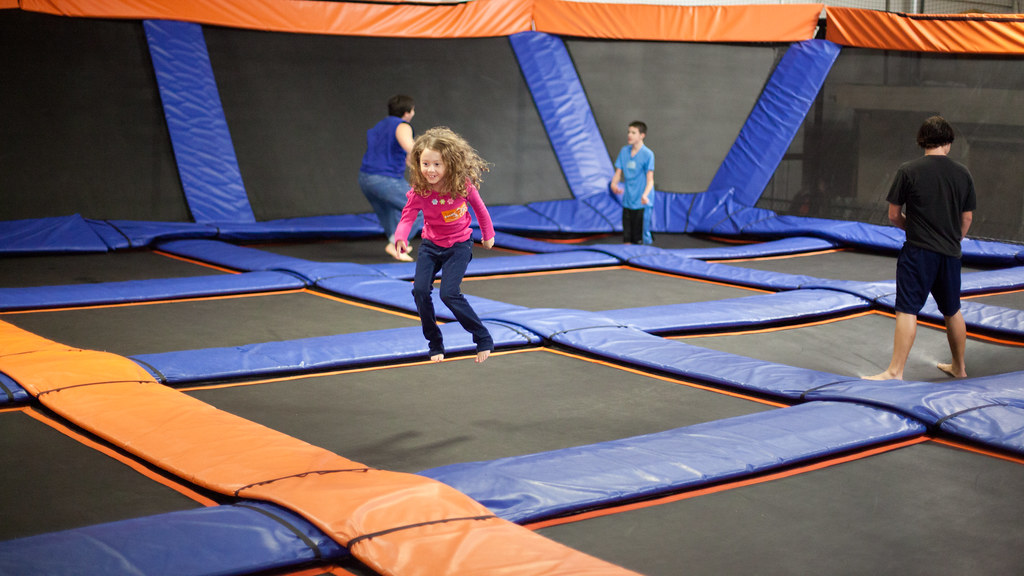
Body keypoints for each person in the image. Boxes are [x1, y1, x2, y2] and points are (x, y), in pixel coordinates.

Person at [867, 116, 976, 381]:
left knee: (907, 309)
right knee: (952, 310)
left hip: (919, 252)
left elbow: (894, 215)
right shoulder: (962, 173)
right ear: (948, 143)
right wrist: (954, 238)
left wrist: (913, 228)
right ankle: (959, 368)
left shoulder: (909, 170)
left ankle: (896, 371)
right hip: (950, 255)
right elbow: (967, 218)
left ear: (922, 141)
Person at [393, 127, 495, 364]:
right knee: (419, 291)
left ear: (450, 163)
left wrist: (488, 235)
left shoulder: (462, 186)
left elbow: (480, 209)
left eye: (437, 164)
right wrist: (400, 237)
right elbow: (408, 215)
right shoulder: (420, 191)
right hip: (430, 245)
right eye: (425, 164)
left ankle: (482, 337)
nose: (430, 170)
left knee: (449, 293)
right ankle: (435, 343)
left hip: (459, 245)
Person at [358, 94, 423, 261]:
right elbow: (410, 147)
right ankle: (397, 242)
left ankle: (397, 247)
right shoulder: (402, 125)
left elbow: (391, 149)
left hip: (366, 179)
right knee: (420, 207)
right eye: (413, 110)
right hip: (385, 179)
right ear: (408, 112)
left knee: (391, 212)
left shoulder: (379, 126)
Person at [610, 121, 655, 245]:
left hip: (641, 202)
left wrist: (645, 195)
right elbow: (618, 173)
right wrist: (613, 184)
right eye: (629, 132)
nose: (629, 135)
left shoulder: (648, 154)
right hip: (628, 200)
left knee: (639, 238)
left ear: (642, 135)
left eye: (633, 132)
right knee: (627, 238)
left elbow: (650, 180)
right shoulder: (624, 151)